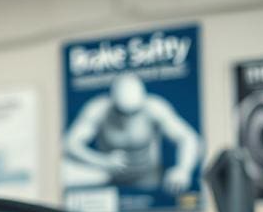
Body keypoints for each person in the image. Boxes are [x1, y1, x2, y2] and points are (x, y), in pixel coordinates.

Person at [62, 73, 199, 194]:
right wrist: (101, 161)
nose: (127, 119)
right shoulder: (98, 109)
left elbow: (188, 137)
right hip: (110, 179)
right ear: (113, 102)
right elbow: (69, 144)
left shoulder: (154, 108)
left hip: (148, 179)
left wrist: (183, 169)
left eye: (134, 113)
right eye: (122, 113)